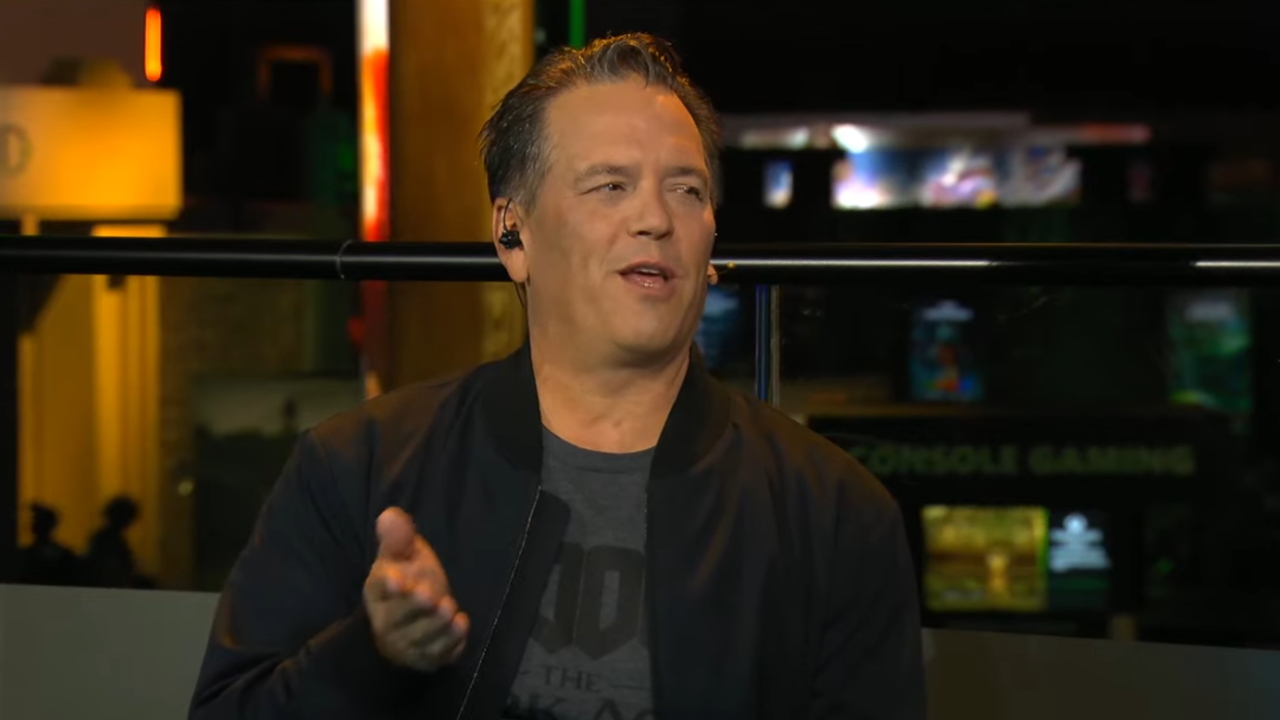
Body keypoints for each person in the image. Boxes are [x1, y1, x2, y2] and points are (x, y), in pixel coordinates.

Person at [190, 33, 924, 720]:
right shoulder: (359, 466)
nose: (655, 219)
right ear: (513, 234)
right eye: (610, 186)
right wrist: (370, 652)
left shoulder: (832, 513)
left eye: (686, 190)